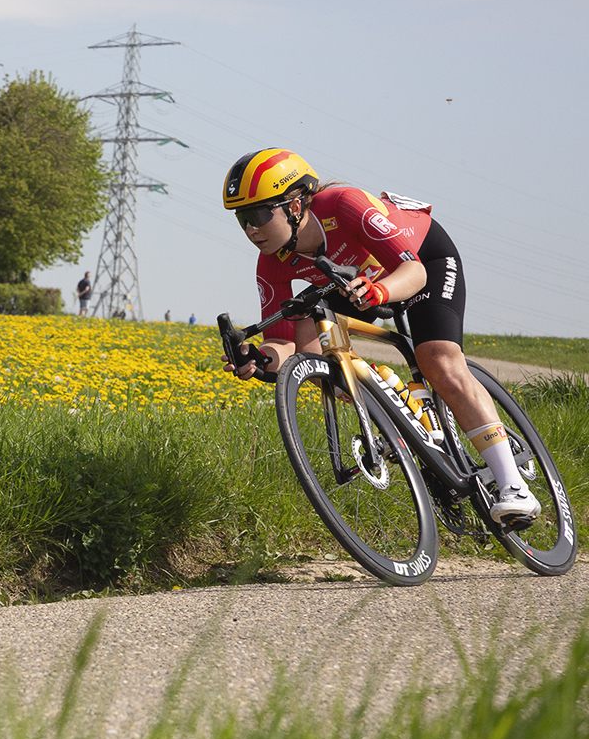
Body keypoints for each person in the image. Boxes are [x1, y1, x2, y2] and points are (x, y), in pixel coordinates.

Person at [220, 148, 539, 524]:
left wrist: (382, 292)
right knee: (312, 356)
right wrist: (258, 359)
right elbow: (284, 342)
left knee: (437, 359)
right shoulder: (271, 261)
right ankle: (389, 397)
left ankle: (514, 486)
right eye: (242, 219)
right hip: (354, 282)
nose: (250, 229)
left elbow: (414, 273)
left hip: (420, 262)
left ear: (294, 205)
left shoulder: (344, 204)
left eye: (258, 214)